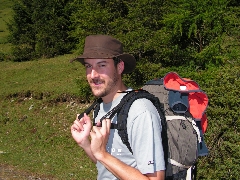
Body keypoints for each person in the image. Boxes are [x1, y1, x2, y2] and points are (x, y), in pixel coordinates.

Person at [70, 35, 165, 180]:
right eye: (88, 66)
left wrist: (103, 154)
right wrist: (85, 144)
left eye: (102, 65)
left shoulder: (140, 111)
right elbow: (107, 167)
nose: (93, 74)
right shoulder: (101, 107)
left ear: (119, 67)